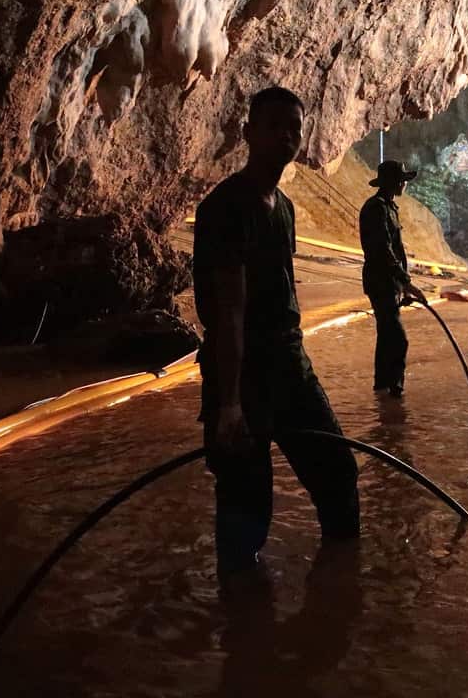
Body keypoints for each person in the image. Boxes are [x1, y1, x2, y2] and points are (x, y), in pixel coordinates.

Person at [193, 86, 360, 581]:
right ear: (248, 134)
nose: (288, 136)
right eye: (275, 126)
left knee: (337, 474)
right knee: (247, 507)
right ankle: (243, 628)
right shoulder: (226, 206)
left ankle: (340, 597)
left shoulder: (283, 206)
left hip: (291, 363)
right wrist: (228, 406)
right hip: (242, 371)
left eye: (296, 127)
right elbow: (228, 310)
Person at [358, 160, 428, 398]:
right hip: (381, 281)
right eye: (402, 181)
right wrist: (406, 281)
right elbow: (383, 250)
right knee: (398, 339)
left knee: (387, 334)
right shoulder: (376, 208)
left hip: (390, 282)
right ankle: (395, 391)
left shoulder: (388, 207)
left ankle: (382, 389)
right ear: (395, 183)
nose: (405, 185)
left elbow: (393, 250)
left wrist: (402, 285)